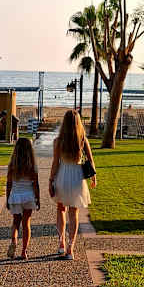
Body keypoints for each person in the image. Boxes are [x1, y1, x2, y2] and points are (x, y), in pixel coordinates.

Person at [49, 109, 97, 260]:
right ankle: (71, 248)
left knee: (61, 209)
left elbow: (55, 163)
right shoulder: (82, 139)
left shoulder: (58, 141)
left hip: (62, 176)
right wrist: (94, 177)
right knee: (74, 212)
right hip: (77, 178)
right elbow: (91, 160)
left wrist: (51, 180)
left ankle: (61, 242)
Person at [6, 137, 40, 260]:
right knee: (26, 223)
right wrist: (38, 199)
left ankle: (14, 241)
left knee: (16, 222)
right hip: (28, 197)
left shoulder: (12, 166)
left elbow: (9, 184)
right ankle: (24, 251)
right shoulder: (32, 166)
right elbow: (35, 185)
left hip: (15, 196)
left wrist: (7, 198)